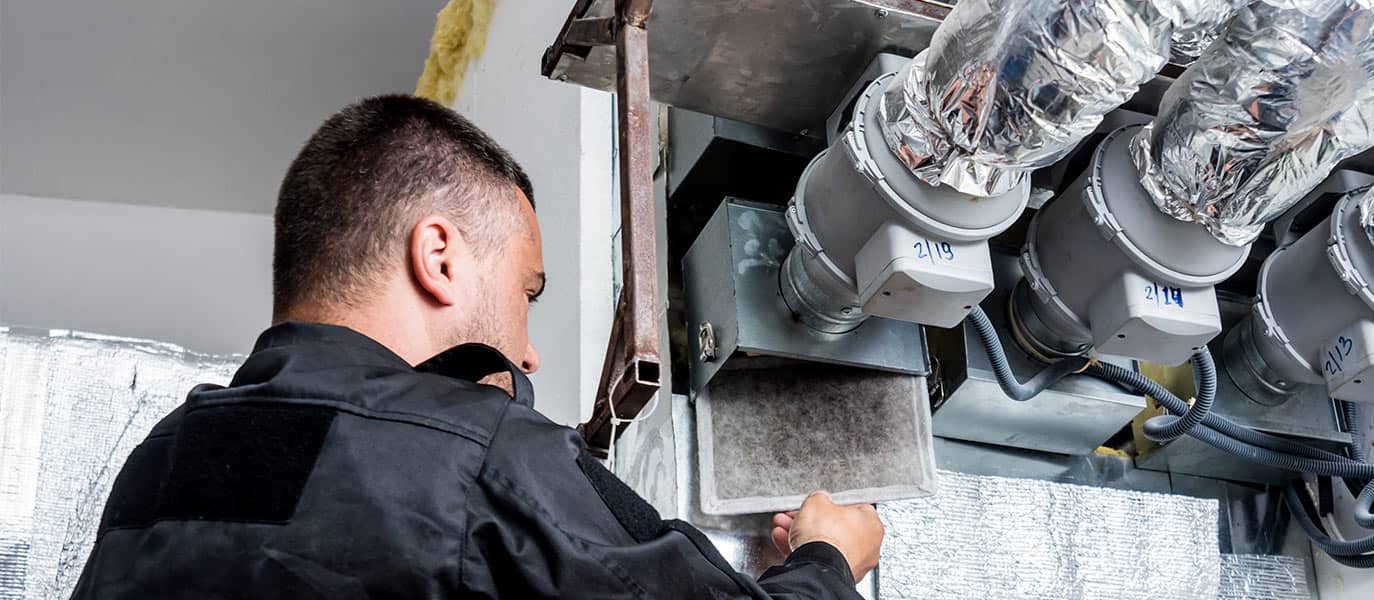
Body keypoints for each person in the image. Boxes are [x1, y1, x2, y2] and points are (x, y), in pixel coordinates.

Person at [71, 95, 883, 599]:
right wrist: (826, 559)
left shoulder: (158, 466)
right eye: (525, 294)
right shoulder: (470, 451)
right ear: (440, 257)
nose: (529, 354)